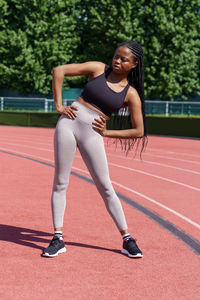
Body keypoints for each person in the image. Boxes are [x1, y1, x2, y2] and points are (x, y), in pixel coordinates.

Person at [42, 40, 147, 258]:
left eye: (123, 59)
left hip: (93, 133)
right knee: (60, 181)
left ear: (134, 64)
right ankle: (57, 238)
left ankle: (127, 239)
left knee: (106, 187)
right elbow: (59, 71)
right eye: (116, 56)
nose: (117, 61)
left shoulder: (131, 94)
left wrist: (108, 133)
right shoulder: (98, 69)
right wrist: (59, 106)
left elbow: (138, 131)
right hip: (69, 122)